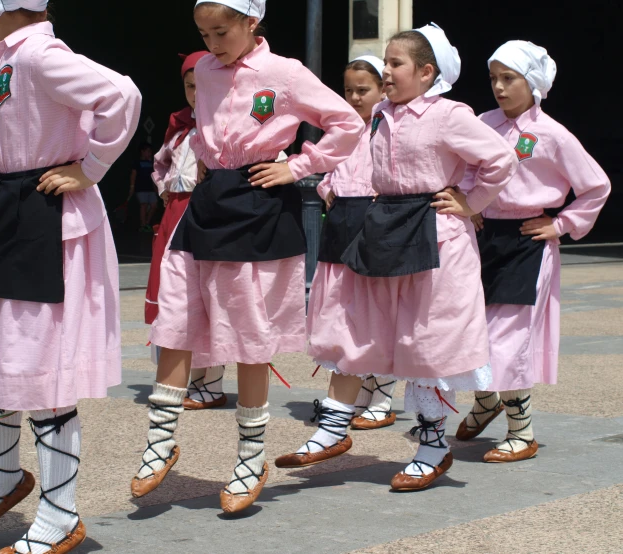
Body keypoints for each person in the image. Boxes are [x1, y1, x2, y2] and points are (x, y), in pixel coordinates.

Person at [131, 0, 363, 514]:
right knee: (175, 318)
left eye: (221, 32)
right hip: (210, 200)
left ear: (251, 21)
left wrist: (301, 165)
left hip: (260, 201)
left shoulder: (283, 73)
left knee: (248, 335)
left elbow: (347, 124)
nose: (212, 45)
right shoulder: (210, 72)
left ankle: (250, 459)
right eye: (203, 33)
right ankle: (160, 441)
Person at [278, 24, 518, 491]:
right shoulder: (380, 113)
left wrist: (471, 200)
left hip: (435, 233)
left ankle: (432, 448)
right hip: (384, 222)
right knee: (356, 322)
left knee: (425, 341)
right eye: (385, 62)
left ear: (426, 73)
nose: (385, 72)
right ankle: (332, 428)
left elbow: (501, 159)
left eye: (395, 64)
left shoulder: (449, 115)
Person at [0, 2, 141, 554]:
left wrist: (90, 169)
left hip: (41, 216)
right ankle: (3, 477)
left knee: (42, 369)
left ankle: (60, 514)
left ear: (0, 9)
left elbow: (121, 95)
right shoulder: (10, 58)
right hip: (7, 208)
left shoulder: (37, 53)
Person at [454, 41, 610, 462]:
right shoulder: (481, 123)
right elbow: (461, 171)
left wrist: (559, 224)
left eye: (510, 78)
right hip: (482, 239)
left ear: (534, 83)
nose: (499, 88)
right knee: (474, 330)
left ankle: (521, 433)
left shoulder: (553, 134)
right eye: (494, 78)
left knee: (508, 338)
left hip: (527, 241)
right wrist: (471, 205)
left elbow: (596, 186)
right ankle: (487, 401)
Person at [300, 55, 398, 462]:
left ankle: (382, 395)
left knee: (373, 312)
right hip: (341, 221)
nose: (356, 97)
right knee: (341, 311)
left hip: (372, 221)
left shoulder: (389, 127)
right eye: (349, 90)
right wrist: (328, 191)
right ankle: (352, 394)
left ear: (382, 90)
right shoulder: (340, 129)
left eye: (364, 90)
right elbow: (323, 171)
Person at [143, 51, 227, 410]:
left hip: (206, 213)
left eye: (203, 84)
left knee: (207, 294)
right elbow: (160, 165)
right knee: (178, 296)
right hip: (175, 213)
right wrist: (163, 190)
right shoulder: (177, 128)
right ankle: (187, 378)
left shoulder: (225, 123)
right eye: (190, 86)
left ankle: (211, 383)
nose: (196, 92)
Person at [130, 143, 159, 232]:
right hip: (140, 188)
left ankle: (147, 222)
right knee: (144, 205)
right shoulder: (137, 162)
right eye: (148, 151)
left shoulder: (151, 163)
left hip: (150, 188)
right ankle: (143, 226)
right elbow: (133, 175)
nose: (149, 153)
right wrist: (132, 187)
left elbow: (154, 175)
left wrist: (156, 188)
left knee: (154, 205)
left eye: (150, 152)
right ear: (142, 152)